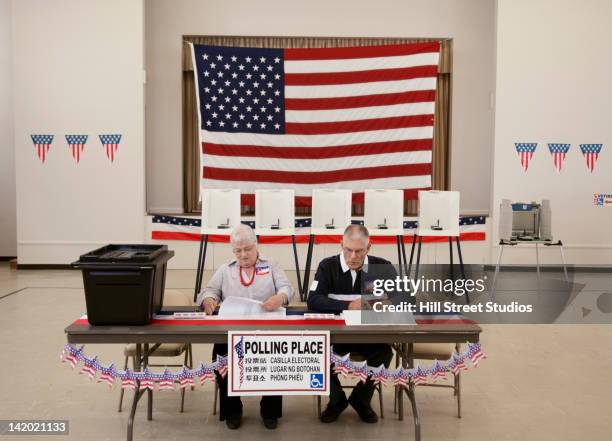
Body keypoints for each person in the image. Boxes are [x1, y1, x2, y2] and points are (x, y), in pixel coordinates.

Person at [196, 224, 294, 430]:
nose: (243, 255)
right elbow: (209, 290)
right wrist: (209, 300)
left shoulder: (272, 265)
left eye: (247, 249)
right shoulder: (225, 270)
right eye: (237, 251)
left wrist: (280, 297)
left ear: (256, 245)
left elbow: (287, 288)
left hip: (266, 333)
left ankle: (269, 411)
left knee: (275, 360)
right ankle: (233, 410)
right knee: (221, 359)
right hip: (232, 334)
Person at [307, 224, 395, 424]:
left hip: (369, 336)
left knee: (385, 353)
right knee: (315, 352)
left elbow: (406, 298)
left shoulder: (383, 266)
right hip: (336, 337)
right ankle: (336, 400)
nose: (353, 256)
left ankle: (361, 400)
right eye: (348, 250)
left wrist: (383, 302)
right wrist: (349, 305)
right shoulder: (326, 266)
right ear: (341, 244)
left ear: (369, 248)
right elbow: (313, 299)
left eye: (359, 251)